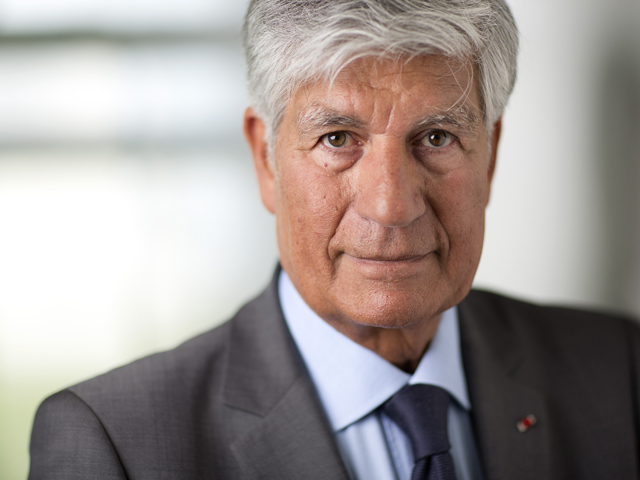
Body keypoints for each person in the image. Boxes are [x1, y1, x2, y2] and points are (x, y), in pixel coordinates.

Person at [29, 1, 640, 479]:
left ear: (491, 156)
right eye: (338, 139)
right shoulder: (115, 444)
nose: (390, 207)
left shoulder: (620, 372)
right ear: (265, 160)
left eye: (436, 138)